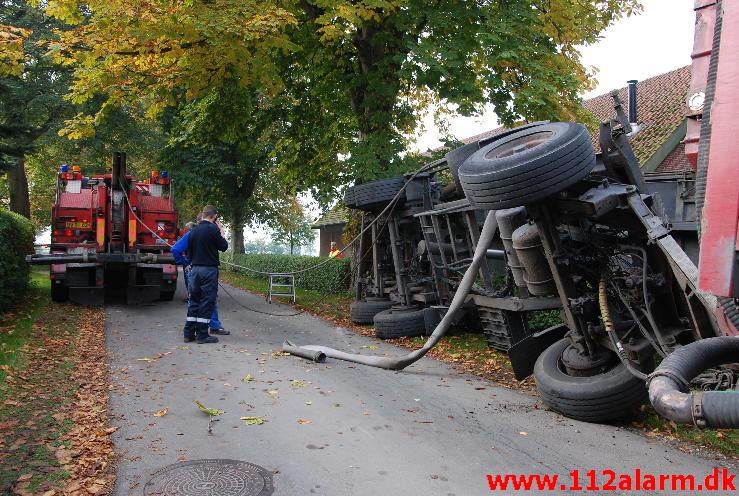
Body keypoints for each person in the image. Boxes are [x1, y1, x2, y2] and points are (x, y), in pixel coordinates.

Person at [182, 205, 229, 344]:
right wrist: (220, 230)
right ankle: (202, 335)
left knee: (194, 301)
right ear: (214, 216)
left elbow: (188, 253)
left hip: (195, 270)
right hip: (209, 270)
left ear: (203, 215)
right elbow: (224, 246)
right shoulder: (213, 230)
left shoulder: (193, 231)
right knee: (207, 301)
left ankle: (188, 333)